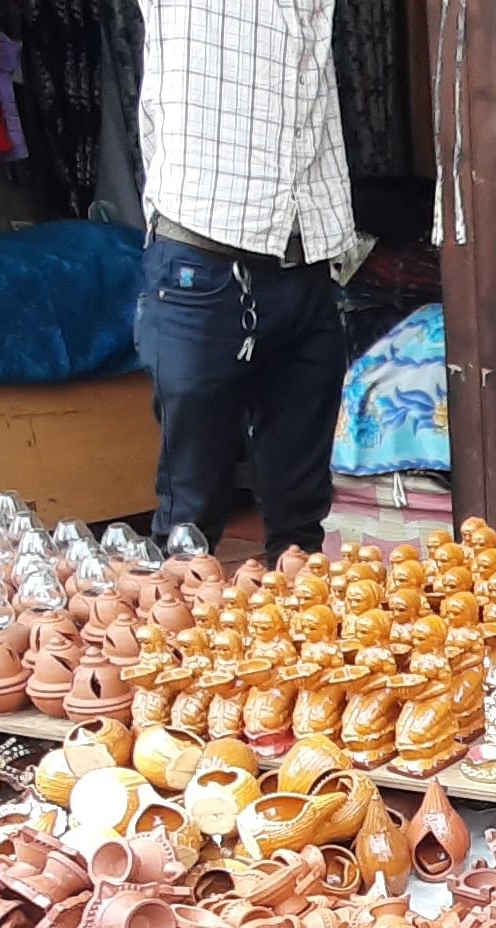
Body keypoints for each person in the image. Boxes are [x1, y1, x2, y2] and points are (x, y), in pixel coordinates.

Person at [132, 0, 352, 563]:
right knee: (192, 520)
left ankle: (302, 629)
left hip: (308, 255)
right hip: (203, 256)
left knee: (301, 519)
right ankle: (182, 638)